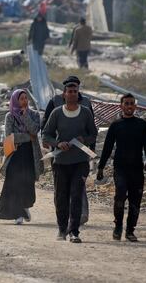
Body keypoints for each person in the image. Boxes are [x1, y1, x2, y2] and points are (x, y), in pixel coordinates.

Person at [42, 81, 98, 243]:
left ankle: (74, 231)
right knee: (61, 196)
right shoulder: (57, 113)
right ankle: (61, 229)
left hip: (80, 161)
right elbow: (46, 134)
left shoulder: (86, 113)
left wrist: (84, 139)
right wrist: (58, 144)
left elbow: (93, 134)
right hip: (60, 162)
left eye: (75, 91)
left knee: (76, 195)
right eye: (70, 91)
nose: (73, 94)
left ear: (78, 94)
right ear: (64, 94)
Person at [96, 93, 146, 242]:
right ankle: (118, 226)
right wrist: (101, 167)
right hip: (120, 168)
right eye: (126, 103)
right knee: (120, 196)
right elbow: (107, 147)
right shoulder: (116, 125)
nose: (129, 106)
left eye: (131, 104)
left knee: (135, 200)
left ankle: (130, 230)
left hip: (136, 169)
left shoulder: (142, 125)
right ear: (121, 106)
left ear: (135, 106)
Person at [0, 90, 44, 225]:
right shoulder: (9, 116)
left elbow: (35, 130)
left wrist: (25, 117)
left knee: (27, 183)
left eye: (25, 98)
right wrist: (28, 137)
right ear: (15, 101)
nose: (24, 101)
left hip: (30, 154)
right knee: (14, 184)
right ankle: (18, 214)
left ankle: (24, 207)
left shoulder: (34, 115)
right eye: (21, 99)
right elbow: (10, 136)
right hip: (15, 155)